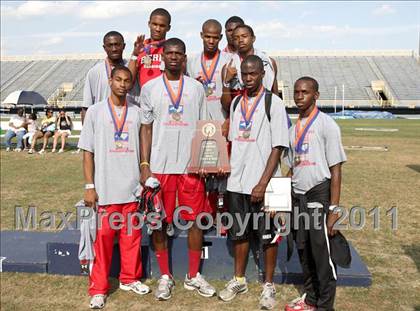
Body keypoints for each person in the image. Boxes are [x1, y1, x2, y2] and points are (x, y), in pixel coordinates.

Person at [140, 38, 216, 301]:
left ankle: (193, 275)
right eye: (169, 53)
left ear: (184, 58)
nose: (173, 57)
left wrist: (205, 160)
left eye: (178, 54)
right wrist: (145, 165)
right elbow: (146, 128)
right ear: (162, 57)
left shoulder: (196, 88)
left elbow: (205, 126)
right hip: (160, 168)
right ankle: (164, 276)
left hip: (190, 168)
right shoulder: (149, 88)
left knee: (196, 221)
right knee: (158, 221)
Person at [218, 55, 289, 310]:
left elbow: (278, 146)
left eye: (253, 74)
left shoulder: (275, 103)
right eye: (244, 74)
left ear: (262, 74)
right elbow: (238, 143)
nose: (248, 78)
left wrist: (262, 183)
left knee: (268, 236)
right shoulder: (237, 103)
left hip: (267, 184)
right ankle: (239, 280)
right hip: (237, 182)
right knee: (240, 233)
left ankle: (268, 285)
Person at [78, 65, 150, 309]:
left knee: (132, 238)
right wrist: (90, 186)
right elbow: (87, 152)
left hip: (131, 188)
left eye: (126, 81)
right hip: (106, 189)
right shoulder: (95, 112)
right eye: (117, 79)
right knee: (104, 242)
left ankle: (129, 278)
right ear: (110, 81)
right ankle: (98, 288)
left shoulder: (137, 112)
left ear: (131, 84)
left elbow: (144, 144)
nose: (122, 84)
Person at [283, 77, 346, 311]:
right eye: (297, 92)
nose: (299, 96)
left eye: (305, 92)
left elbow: (336, 169)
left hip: (319, 194)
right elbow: (292, 167)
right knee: (304, 249)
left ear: (316, 95)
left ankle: (325, 305)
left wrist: (334, 209)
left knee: (322, 253)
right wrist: (278, 196)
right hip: (298, 195)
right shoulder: (293, 129)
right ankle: (310, 298)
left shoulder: (327, 124)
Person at [187, 19, 232, 220]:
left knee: (223, 175)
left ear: (221, 38)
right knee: (202, 174)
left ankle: (222, 216)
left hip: (222, 124)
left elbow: (237, 94)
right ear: (201, 35)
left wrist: (230, 119)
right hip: (200, 127)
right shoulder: (191, 62)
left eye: (215, 37)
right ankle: (204, 216)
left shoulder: (230, 60)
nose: (211, 41)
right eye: (208, 36)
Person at [78, 31, 140, 154]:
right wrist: (88, 139)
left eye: (117, 44)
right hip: (103, 130)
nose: (114, 48)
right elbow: (86, 107)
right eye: (110, 45)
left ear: (124, 46)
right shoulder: (94, 72)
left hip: (128, 127)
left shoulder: (133, 70)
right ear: (104, 47)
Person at [221, 24, 279, 112]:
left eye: (244, 36)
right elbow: (226, 107)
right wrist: (227, 82)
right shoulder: (228, 67)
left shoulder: (268, 63)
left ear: (253, 38)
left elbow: (275, 95)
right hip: (241, 116)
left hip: (264, 113)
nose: (240, 40)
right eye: (236, 38)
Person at [128, 8, 171, 89]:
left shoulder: (171, 48)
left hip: (166, 96)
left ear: (168, 28)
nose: (157, 29)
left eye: (162, 26)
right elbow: (129, 80)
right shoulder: (141, 47)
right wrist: (135, 54)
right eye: (155, 24)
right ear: (149, 24)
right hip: (145, 99)